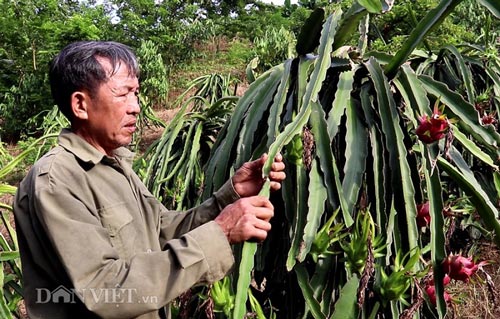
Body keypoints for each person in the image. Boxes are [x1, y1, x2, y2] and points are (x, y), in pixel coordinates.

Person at [13, 41, 286, 319]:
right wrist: (221, 232)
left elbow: (159, 231)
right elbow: (105, 291)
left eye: (136, 93)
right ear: (81, 104)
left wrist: (230, 196)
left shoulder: (114, 164)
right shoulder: (57, 181)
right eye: (122, 94)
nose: (136, 107)